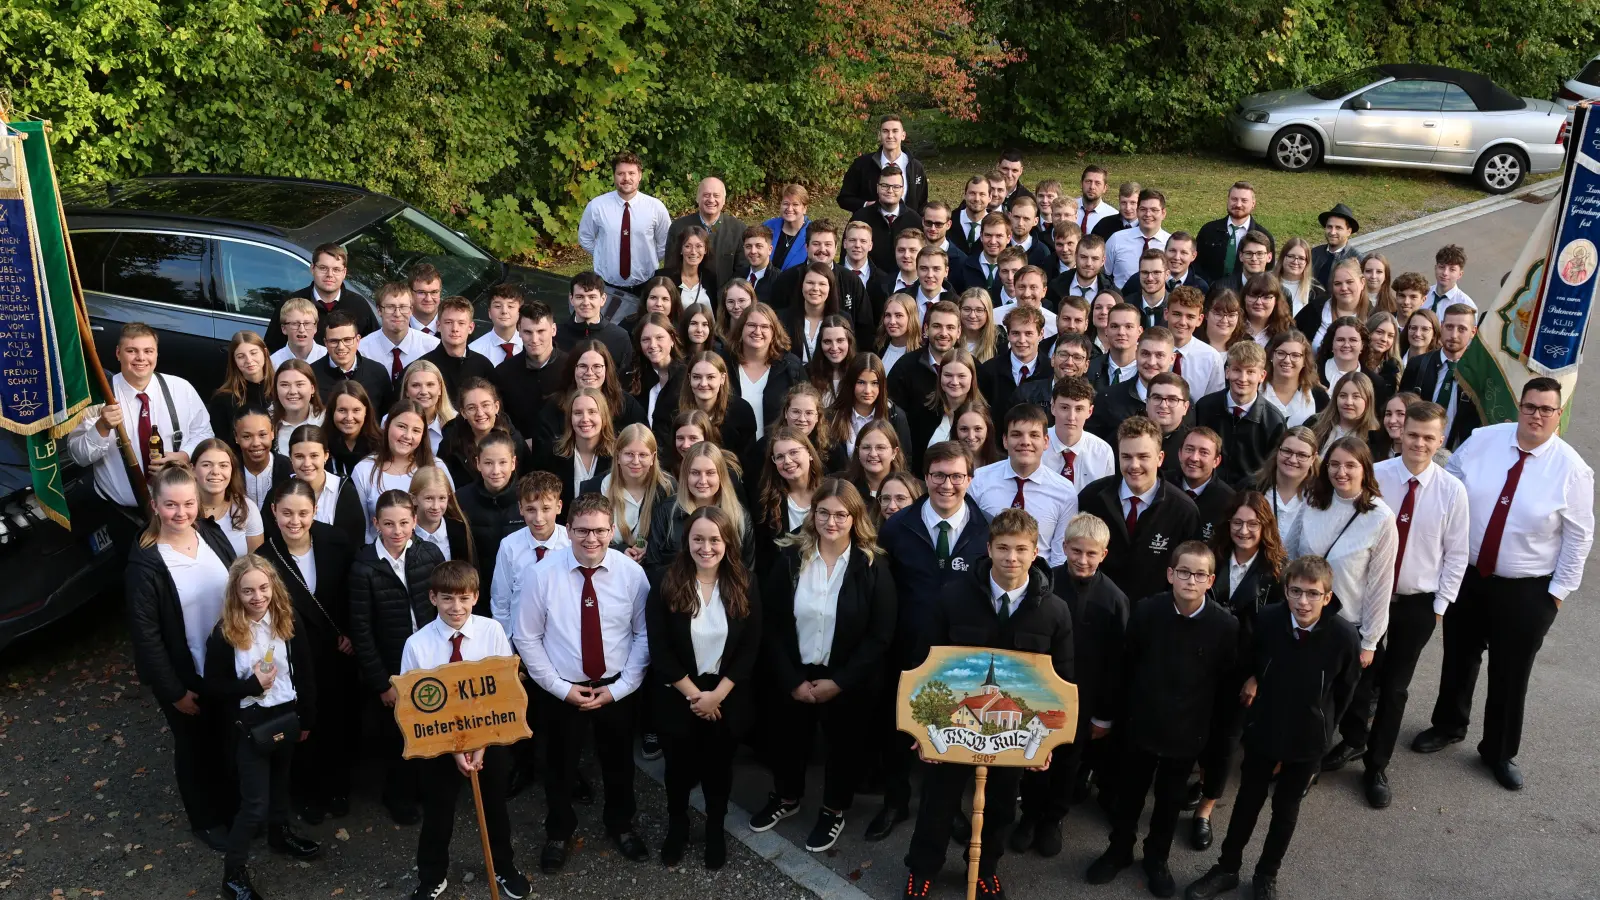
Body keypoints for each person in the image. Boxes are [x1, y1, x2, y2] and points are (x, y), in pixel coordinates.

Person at [1413, 378, 1594, 790]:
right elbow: (1449, 485)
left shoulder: (1572, 470)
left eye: (1546, 410)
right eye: (1530, 406)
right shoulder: (1482, 441)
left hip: (1527, 589)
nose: (1536, 416)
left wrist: (1556, 596)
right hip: (1469, 577)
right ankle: (1448, 725)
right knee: (1458, 656)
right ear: (1520, 406)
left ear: (1558, 414)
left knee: (1511, 674)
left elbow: (1579, 537)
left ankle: (1498, 751)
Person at [901, 508, 1073, 900]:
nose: (1012, 557)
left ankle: (985, 869)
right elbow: (924, 662)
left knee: (1001, 807)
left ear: (1035, 553)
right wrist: (921, 730)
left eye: (1021, 549)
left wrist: (1047, 742)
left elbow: (1062, 681)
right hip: (954, 729)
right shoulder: (954, 596)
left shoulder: (1054, 611)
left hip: (1011, 737)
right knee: (938, 802)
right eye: (1003, 548)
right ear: (989, 548)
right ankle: (922, 868)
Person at [1319, 401, 1470, 809]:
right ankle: (1353, 739)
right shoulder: (1378, 476)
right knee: (1359, 678)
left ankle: (1376, 766)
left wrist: (1440, 606)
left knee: (1394, 689)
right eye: (1413, 434)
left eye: (1429, 437)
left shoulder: (1452, 491)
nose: (1419, 443)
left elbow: (1457, 554)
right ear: (1400, 433)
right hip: (1367, 596)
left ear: (1441, 439)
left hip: (1415, 604)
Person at [1184, 556, 1362, 900]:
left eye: (1313, 594)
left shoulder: (1344, 636)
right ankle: (1227, 868)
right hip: (1264, 727)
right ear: (1286, 590)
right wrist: (1254, 677)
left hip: (1307, 739)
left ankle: (1267, 874)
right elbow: (1251, 659)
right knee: (1247, 803)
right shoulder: (1267, 620)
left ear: (1327, 597)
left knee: (1286, 810)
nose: (1303, 601)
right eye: (1295, 591)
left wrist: (1325, 728)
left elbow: (1346, 690)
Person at [1086, 541, 1237, 898]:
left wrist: (1215, 744)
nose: (1190, 580)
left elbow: (1226, 687)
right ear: (1170, 574)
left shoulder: (1225, 626)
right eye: (1183, 572)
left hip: (1187, 732)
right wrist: (1113, 718)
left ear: (1210, 580)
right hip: (1141, 725)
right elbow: (1125, 667)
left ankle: (1157, 858)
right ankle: (1119, 850)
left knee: (1169, 802)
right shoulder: (1147, 611)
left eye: (1199, 574)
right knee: (1128, 796)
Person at [751, 479, 895, 851]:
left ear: (855, 517)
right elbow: (771, 624)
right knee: (787, 741)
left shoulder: (872, 564)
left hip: (846, 678)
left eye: (841, 515)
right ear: (812, 514)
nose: (831, 522)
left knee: (845, 748)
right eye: (823, 513)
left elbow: (880, 635)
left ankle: (834, 809)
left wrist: (840, 682)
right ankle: (786, 797)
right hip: (796, 672)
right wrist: (791, 680)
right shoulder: (789, 558)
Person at [513, 493, 652, 871]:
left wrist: (620, 688)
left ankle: (621, 825)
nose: (592, 539)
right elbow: (527, 637)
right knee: (559, 766)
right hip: (563, 688)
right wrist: (560, 688)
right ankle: (558, 832)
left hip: (616, 687)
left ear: (612, 530)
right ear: (569, 529)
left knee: (619, 763)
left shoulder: (631, 574)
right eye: (583, 531)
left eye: (600, 531)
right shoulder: (542, 575)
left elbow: (643, 635)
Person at [393, 559, 531, 900]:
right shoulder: (417, 644)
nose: (456, 607)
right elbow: (414, 706)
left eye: (464, 598)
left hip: (489, 739)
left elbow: (503, 690)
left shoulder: (492, 632)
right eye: (447, 599)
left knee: (495, 807)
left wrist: (480, 743)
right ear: (433, 598)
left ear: (475, 597)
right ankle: (432, 876)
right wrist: (455, 748)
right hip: (439, 744)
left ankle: (503, 866)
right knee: (438, 811)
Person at [125, 465, 239, 852]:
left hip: (226, 665)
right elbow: (147, 636)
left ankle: (234, 808)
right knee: (194, 748)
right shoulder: (146, 563)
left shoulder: (210, 534)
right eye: (171, 505)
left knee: (226, 738)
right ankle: (206, 820)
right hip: (185, 674)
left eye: (188, 503)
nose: (181, 512)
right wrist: (174, 691)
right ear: (155, 505)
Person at [647, 506, 762, 869]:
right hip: (679, 693)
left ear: (727, 542)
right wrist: (697, 697)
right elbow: (660, 648)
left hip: (725, 696)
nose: (706, 547)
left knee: (718, 770)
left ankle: (715, 829)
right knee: (677, 771)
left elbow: (750, 648)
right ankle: (677, 826)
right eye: (698, 539)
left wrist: (717, 696)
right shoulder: (665, 580)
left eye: (715, 539)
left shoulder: (746, 581)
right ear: (687, 541)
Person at [204, 555, 320, 900]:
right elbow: (212, 688)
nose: (258, 597)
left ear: (273, 586)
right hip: (249, 724)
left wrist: (307, 717)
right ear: (236, 594)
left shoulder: (287, 619)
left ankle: (279, 836)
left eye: (264, 588)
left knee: (281, 784)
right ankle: (233, 875)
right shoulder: (224, 634)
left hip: (285, 715)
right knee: (254, 803)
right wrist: (250, 686)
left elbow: (305, 671)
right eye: (248, 591)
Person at [1013, 513, 1126, 858]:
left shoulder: (1114, 599)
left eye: (1091, 553)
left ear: (1104, 554)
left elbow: (1117, 663)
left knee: (1067, 762)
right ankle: (1029, 816)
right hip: (1039, 692)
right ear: (1063, 547)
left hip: (1083, 698)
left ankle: (1053, 819)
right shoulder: (1041, 585)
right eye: (1076, 551)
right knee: (1033, 755)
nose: (1083, 560)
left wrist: (1104, 716)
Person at [1190, 491, 1284, 850]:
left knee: (1226, 742)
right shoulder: (1210, 556)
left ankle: (1205, 808)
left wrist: (1258, 677)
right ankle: (1200, 781)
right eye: (1238, 522)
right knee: (1198, 731)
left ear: (1265, 527)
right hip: (1203, 663)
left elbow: (1278, 634)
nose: (1244, 530)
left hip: (1243, 671)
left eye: (1253, 524)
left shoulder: (1276, 572)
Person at [261, 478, 357, 825]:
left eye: (303, 513)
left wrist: (349, 631)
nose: (295, 521)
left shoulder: (336, 541)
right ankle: (307, 793)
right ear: (274, 511)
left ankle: (338, 787)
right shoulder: (265, 559)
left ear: (315, 511)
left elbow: (352, 590)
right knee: (304, 725)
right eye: (287, 513)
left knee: (339, 720)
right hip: (295, 657)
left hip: (337, 649)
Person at [347, 489, 446, 824]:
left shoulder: (429, 554)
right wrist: (381, 682)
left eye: (404, 522)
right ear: (376, 523)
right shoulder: (364, 567)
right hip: (392, 666)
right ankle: (398, 796)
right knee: (398, 736)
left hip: (430, 660)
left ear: (415, 521)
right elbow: (361, 631)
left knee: (431, 726)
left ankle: (427, 789)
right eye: (388, 523)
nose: (397, 530)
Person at [1285, 436, 1399, 687]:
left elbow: (1380, 585)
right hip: (1302, 619)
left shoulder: (1381, 517)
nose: (1341, 472)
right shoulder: (1312, 501)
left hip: (1346, 627)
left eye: (1350, 465)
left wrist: (1369, 642)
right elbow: (1289, 554)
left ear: (1365, 469)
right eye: (1334, 464)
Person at [69, 322, 214, 509]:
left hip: (176, 510)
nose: (141, 358)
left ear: (156, 354)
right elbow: (79, 456)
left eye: (148, 351)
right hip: (118, 512)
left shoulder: (181, 388)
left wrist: (185, 455)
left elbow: (205, 434)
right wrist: (102, 427)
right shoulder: (97, 397)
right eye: (131, 351)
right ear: (118, 353)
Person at [970, 403, 1076, 567]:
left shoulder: (1064, 491)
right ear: (1005, 441)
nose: (1025, 442)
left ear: (1046, 441)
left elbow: (1060, 556)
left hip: (1040, 577)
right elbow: (969, 541)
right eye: (1016, 434)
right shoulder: (979, 480)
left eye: (1034, 435)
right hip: (987, 574)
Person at [643, 441, 754, 579]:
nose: (702, 480)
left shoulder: (739, 517)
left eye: (710, 473)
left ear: (721, 476)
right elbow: (653, 567)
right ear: (685, 475)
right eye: (695, 473)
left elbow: (746, 572)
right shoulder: (666, 511)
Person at [350, 400, 454, 541]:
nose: (407, 436)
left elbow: (451, 517)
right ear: (387, 426)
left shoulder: (436, 466)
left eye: (416, 430)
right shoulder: (364, 469)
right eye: (401, 427)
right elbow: (362, 528)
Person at [579, 151, 673, 301]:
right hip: (606, 285)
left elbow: (665, 243)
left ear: (640, 175)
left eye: (631, 173)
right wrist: (603, 254)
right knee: (608, 317)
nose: (626, 178)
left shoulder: (656, 208)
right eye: (620, 173)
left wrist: (649, 259)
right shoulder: (597, 206)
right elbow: (585, 237)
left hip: (646, 284)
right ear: (614, 176)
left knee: (645, 317)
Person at [488, 471, 570, 640]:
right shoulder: (509, 546)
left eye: (546, 509)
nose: (538, 518)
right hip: (522, 637)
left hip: (563, 637)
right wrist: (506, 645)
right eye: (531, 509)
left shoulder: (571, 543)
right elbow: (501, 601)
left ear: (559, 506)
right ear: (521, 508)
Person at [1193, 341, 1286, 487]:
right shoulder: (1205, 407)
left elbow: (1273, 470)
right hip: (1207, 490)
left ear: (1262, 376)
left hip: (1251, 494)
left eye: (1250, 372)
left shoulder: (1274, 420)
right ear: (1227, 372)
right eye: (1237, 370)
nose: (1242, 378)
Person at [583, 423, 674, 560]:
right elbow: (585, 536)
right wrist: (620, 550)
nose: (636, 461)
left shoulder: (668, 489)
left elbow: (673, 541)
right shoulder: (595, 488)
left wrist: (651, 549)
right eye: (629, 454)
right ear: (618, 456)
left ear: (653, 458)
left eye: (643, 455)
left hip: (653, 568)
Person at [1398, 303, 1482, 451]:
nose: (1454, 335)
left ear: (1473, 332)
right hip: (1418, 449)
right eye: (1449, 327)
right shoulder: (1418, 365)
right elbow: (1402, 409)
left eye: (1462, 329)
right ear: (1441, 326)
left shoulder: (1479, 373)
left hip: (1461, 453)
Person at [265, 243, 377, 350]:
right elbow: (271, 351)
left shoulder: (359, 305)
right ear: (312, 269)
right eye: (323, 268)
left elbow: (373, 348)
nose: (329, 274)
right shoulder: (290, 305)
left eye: (336, 269)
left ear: (344, 273)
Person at [726, 303, 807, 440]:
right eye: (751, 325)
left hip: (777, 448)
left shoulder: (790, 366)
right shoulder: (724, 364)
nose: (757, 331)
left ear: (774, 332)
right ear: (741, 329)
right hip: (730, 449)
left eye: (764, 327)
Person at [1086, 323, 1175, 444]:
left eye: (1160, 355)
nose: (1151, 362)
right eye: (1145, 354)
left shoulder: (1182, 404)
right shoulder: (1108, 399)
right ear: (1136, 353)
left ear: (1172, 359)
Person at [491, 300, 567, 440]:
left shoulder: (572, 368)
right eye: (528, 332)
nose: (534, 339)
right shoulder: (503, 373)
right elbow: (499, 419)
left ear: (553, 330)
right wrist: (520, 443)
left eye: (541, 331)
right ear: (519, 331)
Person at [533, 388, 616, 515]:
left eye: (592, 412)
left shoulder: (618, 456)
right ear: (570, 418)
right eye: (578, 413)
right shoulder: (551, 454)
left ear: (604, 417)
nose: (585, 419)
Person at [437, 378, 531, 487]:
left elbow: (527, 480)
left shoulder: (515, 440)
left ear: (496, 407)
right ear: (463, 413)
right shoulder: (450, 443)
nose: (480, 413)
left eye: (485, 405)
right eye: (472, 408)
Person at [887, 300, 961, 423]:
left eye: (950, 327)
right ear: (926, 329)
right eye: (937, 326)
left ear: (958, 332)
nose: (943, 333)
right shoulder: (904, 367)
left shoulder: (973, 367)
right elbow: (892, 417)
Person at [664, 176, 745, 289]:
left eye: (716, 195)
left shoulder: (738, 229)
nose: (711, 200)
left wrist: (727, 295)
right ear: (697, 198)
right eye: (706, 195)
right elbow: (670, 267)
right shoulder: (678, 227)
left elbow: (742, 270)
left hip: (726, 296)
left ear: (724, 200)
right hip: (686, 293)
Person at [829, 352, 912, 459]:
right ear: (851, 383)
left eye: (874, 383)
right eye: (861, 382)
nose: (867, 391)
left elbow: (904, 460)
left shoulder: (895, 416)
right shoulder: (832, 417)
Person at [359, 283, 441, 389]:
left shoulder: (433, 347)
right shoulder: (362, 351)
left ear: (411, 310)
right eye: (390, 307)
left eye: (403, 307)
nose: (397, 314)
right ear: (379, 310)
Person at [1042, 375, 1116, 491]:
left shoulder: (1103, 452)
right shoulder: (1036, 445)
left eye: (1079, 409)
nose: (1071, 417)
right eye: (1065, 408)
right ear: (1053, 407)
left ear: (1090, 411)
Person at [192, 438, 264, 556]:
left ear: (232, 470)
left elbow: (256, 561)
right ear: (192, 469)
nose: (215, 471)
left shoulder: (246, 508)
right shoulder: (182, 510)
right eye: (206, 465)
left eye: (223, 465)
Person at [850, 164, 924, 275]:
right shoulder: (861, 217)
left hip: (904, 281)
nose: (890, 190)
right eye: (885, 186)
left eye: (896, 187)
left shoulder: (914, 220)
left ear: (902, 190)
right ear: (877, 188)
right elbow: (847, 255)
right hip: (869, 280)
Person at [1195, 181, 1273, 284]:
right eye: (1234, 199)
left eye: (1244, 200)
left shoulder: (1264, 236)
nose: (1238, 204)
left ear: (1253, 204)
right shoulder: (1208, 230)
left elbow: (1269, 272)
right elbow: (1196, 264)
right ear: (1228, 200)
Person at [314, 311, 393, 411]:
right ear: (325, 342)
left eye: (347, 340)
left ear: (358, 340)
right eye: (334, 341)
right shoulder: (312, 375)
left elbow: (387, 414)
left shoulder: (378, 372)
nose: (341, 347)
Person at [421, 296, 495, 400]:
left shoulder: (483, 366)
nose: (455, 329)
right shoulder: (423, 368)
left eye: (461, 323)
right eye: (448, 322)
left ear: (471, 328)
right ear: (438, 326)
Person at [978, 306, 1050, 413]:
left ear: (1041, 334)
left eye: (1028, 334)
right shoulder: (989, 370)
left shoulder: (1051, 371)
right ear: (1008, 335)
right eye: (1015, 333)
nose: (1022, 340)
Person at [1254, 425, 1318, 541]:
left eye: (1302, 455)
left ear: (1313, 458)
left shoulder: (1319, 497)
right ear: (1278, 451)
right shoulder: (1254, 488)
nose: (1293, 460)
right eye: (1287, 451)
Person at [559, 272, 635, 368]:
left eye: (592, 297)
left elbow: (626, 373)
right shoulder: (557, 335)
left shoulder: (620, 337)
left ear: (603, 299)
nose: (586, 303)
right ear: (571, 299)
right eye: (580, 297)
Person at [1175, 427, 1237, 542]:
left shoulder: (1229, 501)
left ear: (1216, 461)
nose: (1194, 458)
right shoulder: (1160, 487)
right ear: (1179, 454)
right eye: (1189, 449)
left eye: (1204, 452)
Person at [213, 330, 275, 441]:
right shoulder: (224, 398)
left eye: (253, 353)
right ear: (234, 360)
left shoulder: (281, 388)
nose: (249, 360)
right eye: (241, 356)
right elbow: (222, 442)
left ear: (265, 353)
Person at [1164, 287, 1224, 401]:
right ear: (1166, 314)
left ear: (1199, 320)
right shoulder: (1149, 351)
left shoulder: (1212, 358)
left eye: (1190, 317)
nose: (1182, 322)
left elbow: (1213, 403)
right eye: (1177, 314)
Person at [1103, 189, 1171, 287]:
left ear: (1163, 213)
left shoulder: (1171, 244)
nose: (1148, 214)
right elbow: (1104, 275)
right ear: (1137, 211)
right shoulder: (1116, 239)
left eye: (1154, 210)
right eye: (1143, 209)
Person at [1261, 331, 1328, 429]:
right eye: (1281, 353)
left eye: (1295, 355)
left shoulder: (1318, 395)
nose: (1287, 360)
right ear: (1271, 355)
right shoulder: (1255, 390)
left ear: (1304, 361)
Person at [410, 465, 475, 565]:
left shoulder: (458, 530)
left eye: (442, 498)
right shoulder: (404, 533)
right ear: (414, 499)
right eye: (429, 498)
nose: (436, 506)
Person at [1310, 371, 1379, 457]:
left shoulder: (1375, 438)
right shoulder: (1314, 424)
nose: (1348, 402)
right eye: (1343, 395)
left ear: (1368, 400)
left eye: (1356, 396)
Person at [234, 407, 291, 510]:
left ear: (272, 433)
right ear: (236, 437)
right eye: (247, 436)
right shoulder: (229, 470)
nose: (256, 443)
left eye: (262, 435)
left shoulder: (288, 468)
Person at [323, 381, 382, 478]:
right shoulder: (320, 445)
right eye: (342, 410)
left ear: (366, 411)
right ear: (332, 411)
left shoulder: (381, 445)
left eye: (356, 410)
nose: (349, 417)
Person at [657, 225, 720, 312]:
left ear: (705, 250)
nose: (693, 252)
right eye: (688, 246)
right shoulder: (665, 277)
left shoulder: (711, 278)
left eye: (699, 246)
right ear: (680, 250)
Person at [271, 359, 326, 456]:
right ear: (276, 389)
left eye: (300, 384)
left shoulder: (326, 420)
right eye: (285, 385)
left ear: (312, 388)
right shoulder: (267, 421)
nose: (292, 391)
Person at [468, 284, 527, 368]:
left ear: (520, 312)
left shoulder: (532, 345)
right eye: (498, 306)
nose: (504, 311)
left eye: (510, 306)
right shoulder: (474, 351)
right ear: (489, 312)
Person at [1048, 234, 1114, 307]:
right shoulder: (1055, 286)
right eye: (1083, 257)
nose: (1088, 263)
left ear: (1103, 261)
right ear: (1076, 256)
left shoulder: (1112, 293)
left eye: (1095, 258)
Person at [1088, 301, 1141, 390]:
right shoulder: (1090, 369)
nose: (1121, 332)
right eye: (1114, 326)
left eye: (1128, 326)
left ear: (1139, 331)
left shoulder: (1149, 372)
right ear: (1106, 330)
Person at [1310, 203, 1360, 289]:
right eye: (1329, 227)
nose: (1332, 232)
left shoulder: (1358, 260)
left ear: (1348, 232)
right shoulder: (1314, 253)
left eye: (1338, 228)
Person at [1236, 274, 1295, 348]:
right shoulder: (1231, 326)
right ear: (1244, 298)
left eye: (1266, 297)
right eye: (1253, 296)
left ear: (1276, 301)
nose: (1258, 302)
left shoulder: (1287, 332)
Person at [268, 298, 328, 369]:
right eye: (295, 324)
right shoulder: (273, 363)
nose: (301, 330)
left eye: (307, 323)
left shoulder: (328, 357)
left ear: (315, 327)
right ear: (284, 328)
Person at [1274, 237, 1324, 315]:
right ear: (1282, 257)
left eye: (1301, 258)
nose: (1295, 262)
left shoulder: (1316, 290)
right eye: (1291, 256)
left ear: (1307, 262)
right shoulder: (1267, 282)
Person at [876, 292, 923, 374]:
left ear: (911, 318)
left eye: (898, 315)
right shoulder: (877, 349)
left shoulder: (922, 356)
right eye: (888, 315)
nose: (892, 321)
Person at [1425, 243, 1474, 314]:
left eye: (1452, 269)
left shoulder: (1466, 305)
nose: (1445, 273)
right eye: (1442, 267)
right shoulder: (1422, 294)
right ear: (1435, 268)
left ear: (1460, 274)